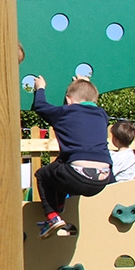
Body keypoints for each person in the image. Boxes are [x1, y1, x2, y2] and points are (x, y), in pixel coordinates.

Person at [32, 75, 113, 238]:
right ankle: (61, 205)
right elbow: (89, 105)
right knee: (60, 166)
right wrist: (86, 83)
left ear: (68, 100)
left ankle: (52, 217)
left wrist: (39, 87)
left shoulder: (65, 112)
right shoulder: (102, 115)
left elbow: (39, 106)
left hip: (77, 175)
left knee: (42, 175)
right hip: (103, 179)